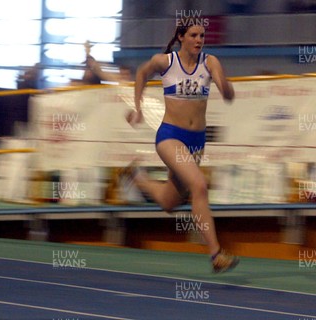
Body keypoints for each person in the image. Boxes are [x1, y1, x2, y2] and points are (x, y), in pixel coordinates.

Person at [127, 19, 238, 273]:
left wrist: (226, 87)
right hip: (170, 136)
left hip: (196, 142)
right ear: (181, 37)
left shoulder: (210, 62)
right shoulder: (164, 62)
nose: (199, 40)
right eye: (194, 35)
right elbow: (142, 73)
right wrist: (138, 108)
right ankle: (216, 255)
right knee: (199, 184)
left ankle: (136, 178)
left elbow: (228, 94)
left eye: (202, 35)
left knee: (170, 201)